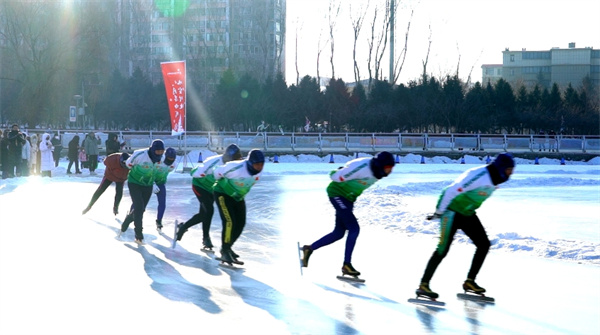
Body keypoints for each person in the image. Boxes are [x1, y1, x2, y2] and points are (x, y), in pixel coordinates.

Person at [415, 153, 515, 300]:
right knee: (442, 249)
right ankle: (423, 285)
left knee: (484, 244)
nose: (510, 174)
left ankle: (470, 282)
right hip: (451, 212)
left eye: (511, 171)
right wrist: (439, 212)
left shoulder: (495, 179)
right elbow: (450, 191)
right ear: (500, 168)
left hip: (467, 213)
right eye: (508, 170)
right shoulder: (479, 175)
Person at [300, 151, 396, 277]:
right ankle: (346, 265)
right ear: (380, 165)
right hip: (337, 194)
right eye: (388, 168)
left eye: (391, 168)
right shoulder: (363, 166)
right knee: (354, 228)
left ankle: (309, 249)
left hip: (349, 198)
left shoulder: (378, 171)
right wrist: (337, 172)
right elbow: (335, 176)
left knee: (339, 233)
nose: (390, 171)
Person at [174, 144, 243, 249]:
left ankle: (183, 227)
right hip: (199, 185)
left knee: (203, 214)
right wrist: (199, 173)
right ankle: (205, 238)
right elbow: (195, 172)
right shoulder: (214, 162)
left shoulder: (235, 166)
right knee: (209, 210)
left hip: (212, 189)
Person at [213, 149, 265, 264]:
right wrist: (225, 184)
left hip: (237, 197)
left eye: (261, 164)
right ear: (250, 162)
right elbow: (216, 172)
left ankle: (227, 247)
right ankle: (225, 250)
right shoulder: (235, 167)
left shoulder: (259, 172)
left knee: (240, 223)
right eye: (256, 164)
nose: (259, 167)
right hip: (222, 193)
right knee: (229, 221)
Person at [119, 139, 165, 245]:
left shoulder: (161, 159)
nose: (159, 154)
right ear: (152, 150)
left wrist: (154, 183)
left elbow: (159, 172)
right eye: (157, 151)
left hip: (147, 185)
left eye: (161, 152)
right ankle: (138, 235)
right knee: (139, 207)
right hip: (134, 183)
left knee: (141, 209)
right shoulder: (140, 154)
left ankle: (128, 219)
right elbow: (128, 164)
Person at [153, 147, 177, 231]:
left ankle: (159, 221)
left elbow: (166, 172)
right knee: (141, 203)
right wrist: (152, 183)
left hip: (161, 183)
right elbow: (149, 171)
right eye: (169, 158)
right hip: (149, 182)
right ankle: (132, 215)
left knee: (162, 203)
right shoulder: (157, 161)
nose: (170, 160)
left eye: (172, 158)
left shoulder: (173, 165)